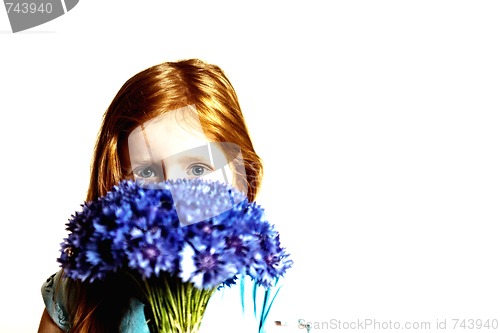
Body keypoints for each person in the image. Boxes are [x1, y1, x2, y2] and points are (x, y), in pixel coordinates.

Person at [37, 58, 264, 333]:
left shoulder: (265, 295)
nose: (170, 194)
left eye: (197, 168)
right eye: (146, 173)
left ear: (243, 178)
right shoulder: (75, 291)